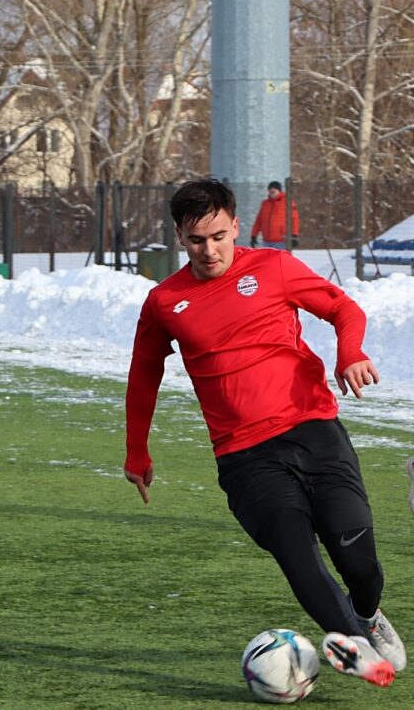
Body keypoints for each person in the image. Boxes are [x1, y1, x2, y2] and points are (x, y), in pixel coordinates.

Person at [124, 177, 404, 687]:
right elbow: (144, 374)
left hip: (314, 430)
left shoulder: (273, 267)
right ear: (179, 238)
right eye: (195, 240)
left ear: (234, 225)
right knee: (298, 555)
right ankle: (359, 651)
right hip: (244, 456)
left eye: (217, 237)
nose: (208, 251)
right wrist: (136, 451)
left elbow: (344, 308)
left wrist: (351, 352)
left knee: (357, 557)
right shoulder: (165, 302)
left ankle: (364, 614)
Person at [250, 180, 300, 250]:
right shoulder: (265, 204)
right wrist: (253, 235)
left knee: (281, 260)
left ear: (279, 191)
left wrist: (294, 235)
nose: (271, 193)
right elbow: (259, 221)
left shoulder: (287, 202)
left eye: (274, 191)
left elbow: (295, 219)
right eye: (270, 191)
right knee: (267, 260)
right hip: (266, 241)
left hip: (282, 241)